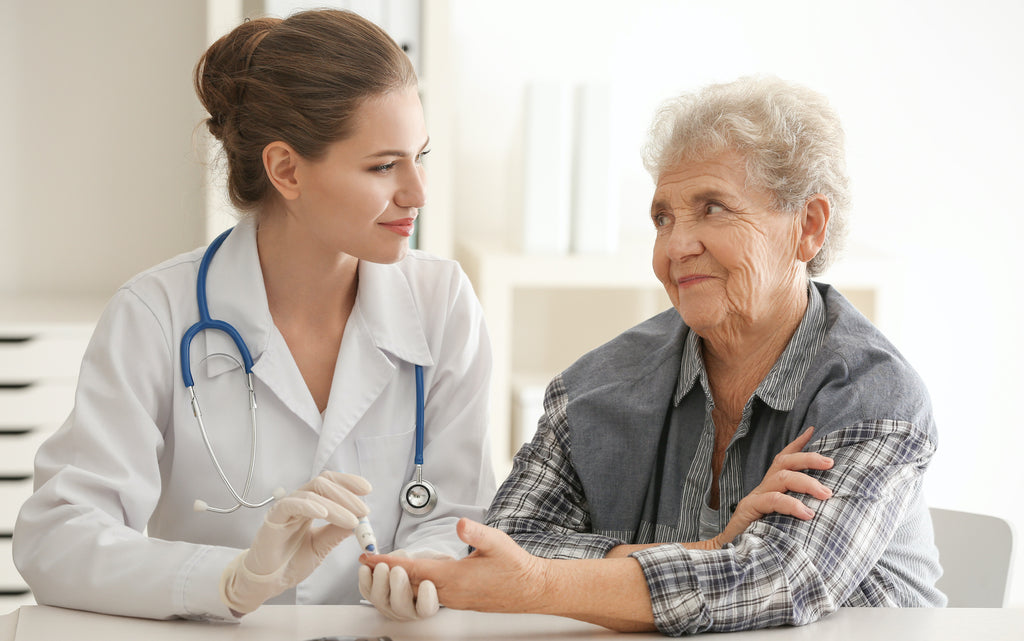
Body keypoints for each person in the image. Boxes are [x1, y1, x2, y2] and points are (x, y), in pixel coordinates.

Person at [362, 75, 945, 635]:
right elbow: (511, 541)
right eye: (663, 218)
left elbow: (780, 578)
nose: (675, 247)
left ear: (808, 227)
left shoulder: (871, 396)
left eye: (712, 208)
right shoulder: (594, 388)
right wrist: (711, 551)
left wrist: (545, 583)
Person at [13, 9, 495, 623]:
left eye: (419, 155)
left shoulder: (443, 302)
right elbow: (58, 540)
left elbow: (459, 515)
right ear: (286, 169)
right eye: (383, 166)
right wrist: (229, 581)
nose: (417, 192)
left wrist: (420, 567)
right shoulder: (156, 313)